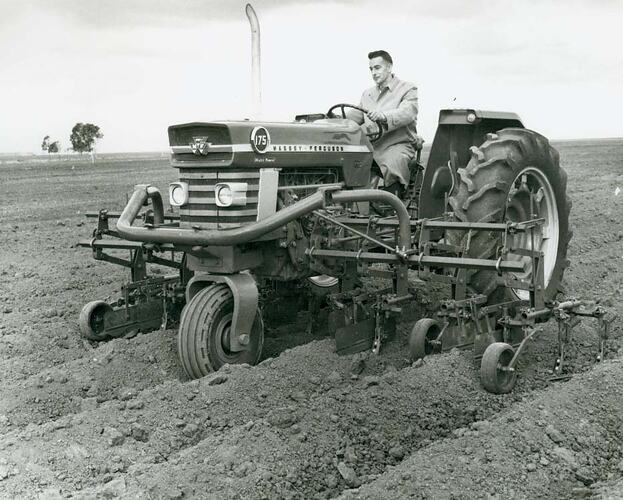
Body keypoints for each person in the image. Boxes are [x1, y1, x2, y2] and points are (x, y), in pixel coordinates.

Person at [347, 50, 419, 197]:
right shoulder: (367, 94)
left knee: (393, 162)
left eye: (377, 67)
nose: (373, 72)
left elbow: (407, 113)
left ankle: (393, 206)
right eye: (371, 69)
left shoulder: (407, 89)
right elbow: (353, 117)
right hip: (371, 147)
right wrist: (329, 119)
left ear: (389, 67)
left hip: (398, 144)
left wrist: (383, 116)